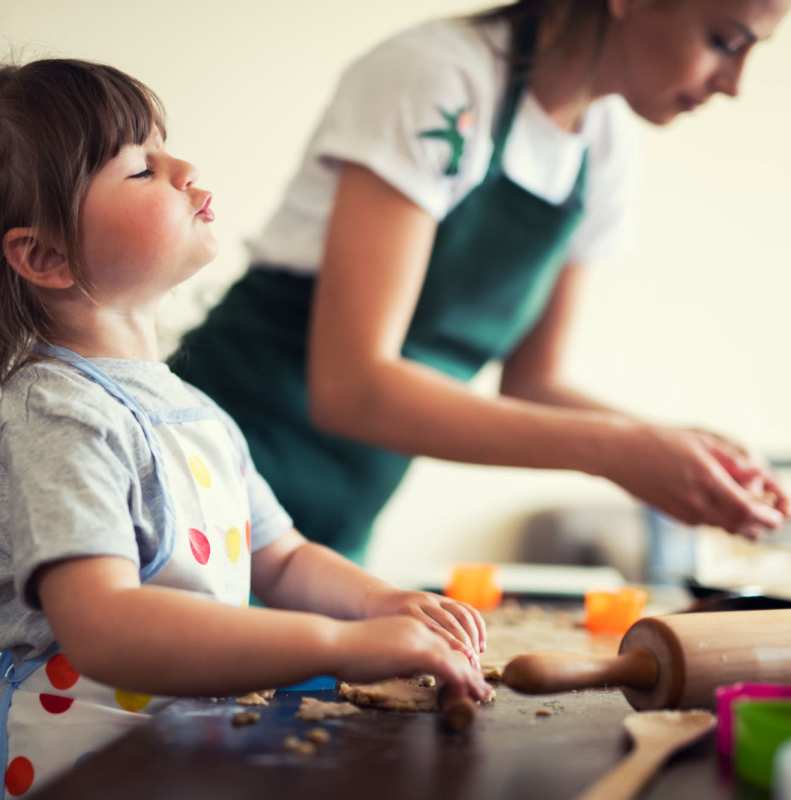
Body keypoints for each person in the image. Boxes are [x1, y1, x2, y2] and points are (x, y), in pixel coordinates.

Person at [0, 59, 491, 796]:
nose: (184, 167)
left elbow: (284, 559)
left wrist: (379, 602)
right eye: (140, 169)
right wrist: (341, 644)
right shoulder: (55, 413)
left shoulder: (195, 411)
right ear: (46, 255)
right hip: (84, 776)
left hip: (186, 762)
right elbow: (104, 623)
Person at [174, 0, 791, 564]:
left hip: (332, 535)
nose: (735, 85)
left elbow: (534, 384)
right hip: (208, 488)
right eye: (725, 39)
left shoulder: (604, 147)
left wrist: (672, 447)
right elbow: (352, 388)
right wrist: (617, 451)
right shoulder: (437, 79)